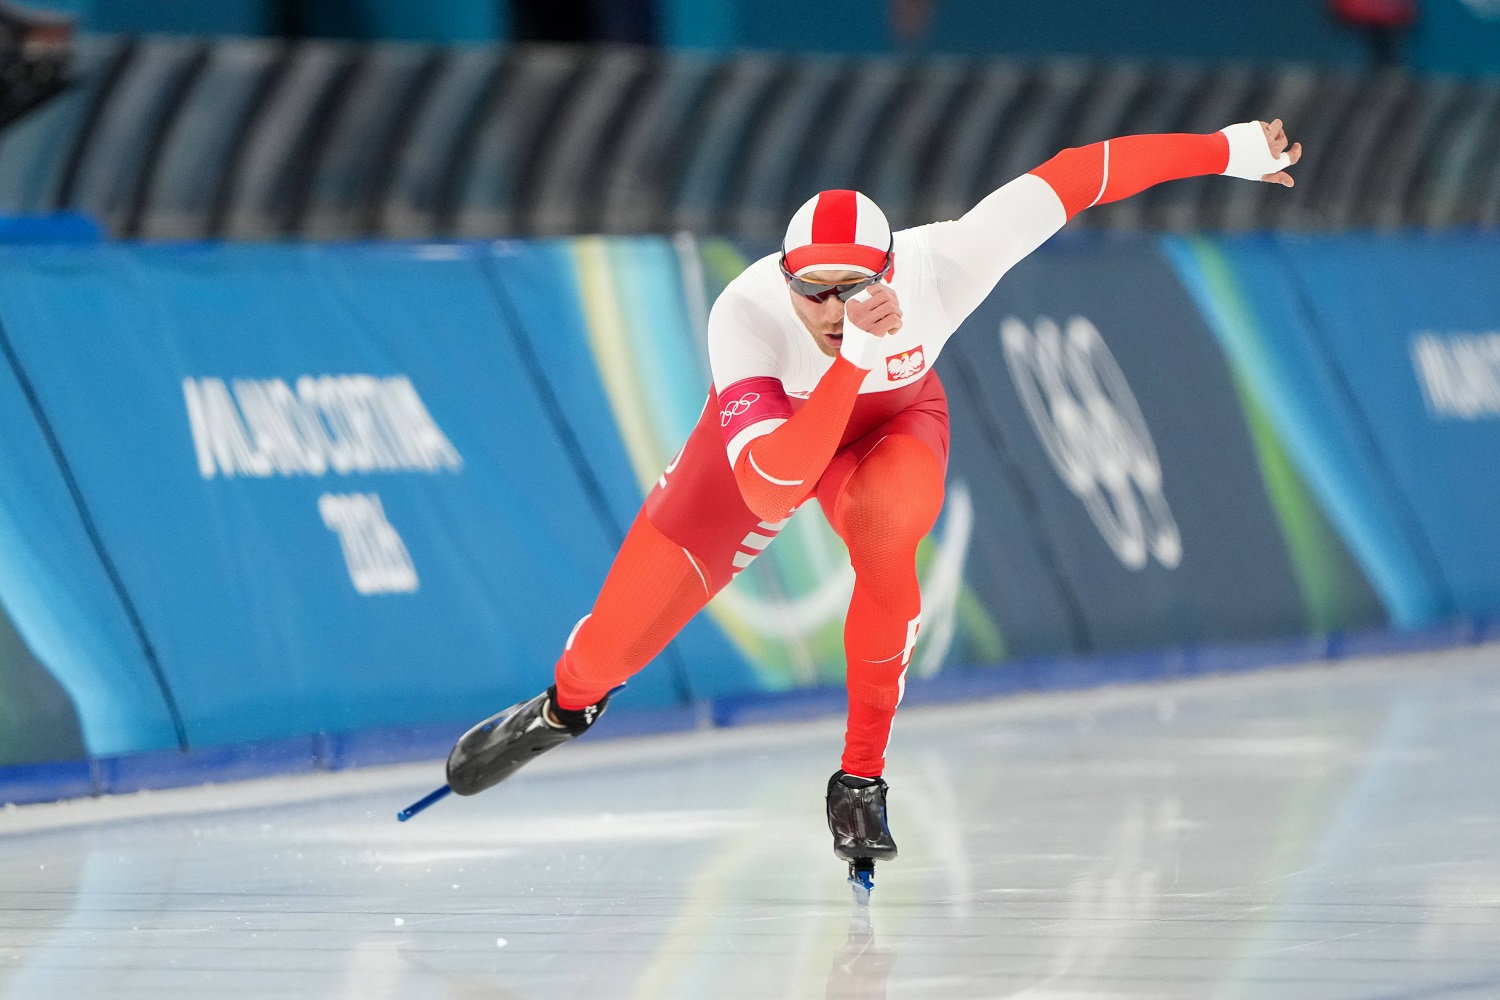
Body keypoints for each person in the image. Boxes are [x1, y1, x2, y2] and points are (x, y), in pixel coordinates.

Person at [444, 118, 1302, 893]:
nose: (829, 309)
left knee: (889, 531)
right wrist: (854, 356)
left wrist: (1228, 150)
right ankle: (562, 708)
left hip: (891, 428)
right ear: (784, 280)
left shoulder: (948, 261)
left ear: (891, 272)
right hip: (774, 446)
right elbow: (768, 487)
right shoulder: (747, 312)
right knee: (606, 652)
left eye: (851, 289)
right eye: (811, 291)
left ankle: (859, 778)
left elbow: (1082, 174)